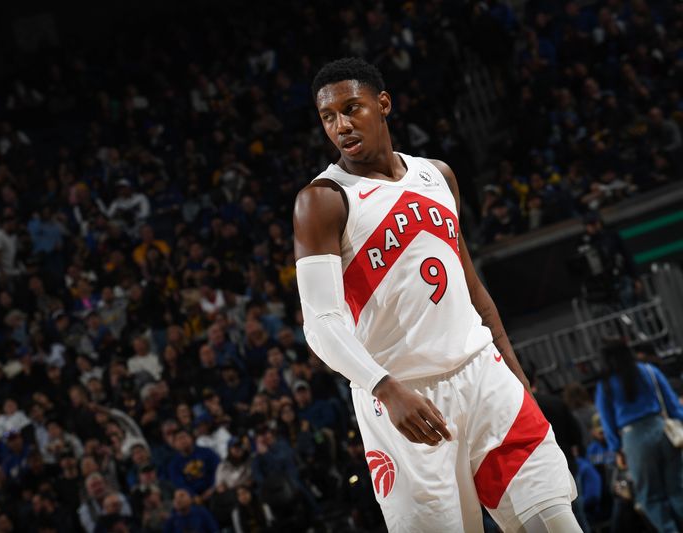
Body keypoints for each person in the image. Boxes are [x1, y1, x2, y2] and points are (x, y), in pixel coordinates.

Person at [293, 57, 579, 532]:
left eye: (352, 108)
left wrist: (515, 374)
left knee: (554, 522)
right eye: (328, 117)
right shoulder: (323, 200)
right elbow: (320, 323)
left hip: (484, 377)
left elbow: (471, 287)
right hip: (404, 399)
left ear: (383, 104)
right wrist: (385, 387)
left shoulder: (438, 175)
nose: (341, 125)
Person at [594, 340, 683, 532]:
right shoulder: (648, 371)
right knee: (677, 488)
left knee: (650, 497)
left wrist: (616, 448)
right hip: (662, 430)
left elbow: (607, 422)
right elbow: (672, 404)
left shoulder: (606, 384)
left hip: (634, 439)